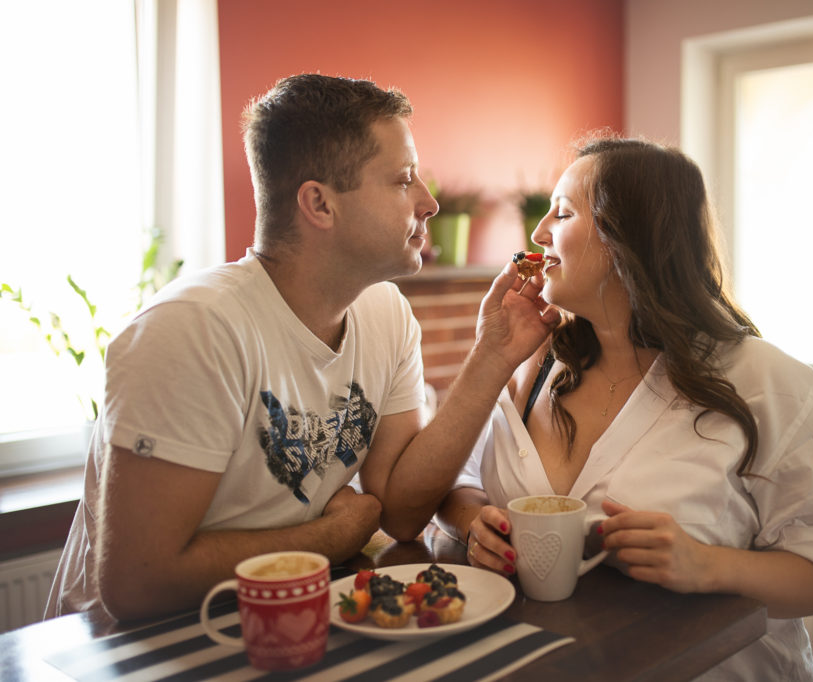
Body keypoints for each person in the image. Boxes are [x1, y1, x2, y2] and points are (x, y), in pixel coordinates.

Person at [45, 74, 559, 621]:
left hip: (285, 622)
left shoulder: (384, 313)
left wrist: (492, 355)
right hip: (136, 652)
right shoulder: (191, 331)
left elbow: (404, 512)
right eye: (403, 179)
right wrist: (332, 536)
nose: (429, 202)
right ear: (319, 203)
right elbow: (139, 584)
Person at [435, 134, 813, 680]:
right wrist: (477, 521)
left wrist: (707, 564)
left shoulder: (774, 386)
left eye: (563, 214)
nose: (539, 233)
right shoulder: (531, 365)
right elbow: (460, 484)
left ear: (629, 238)